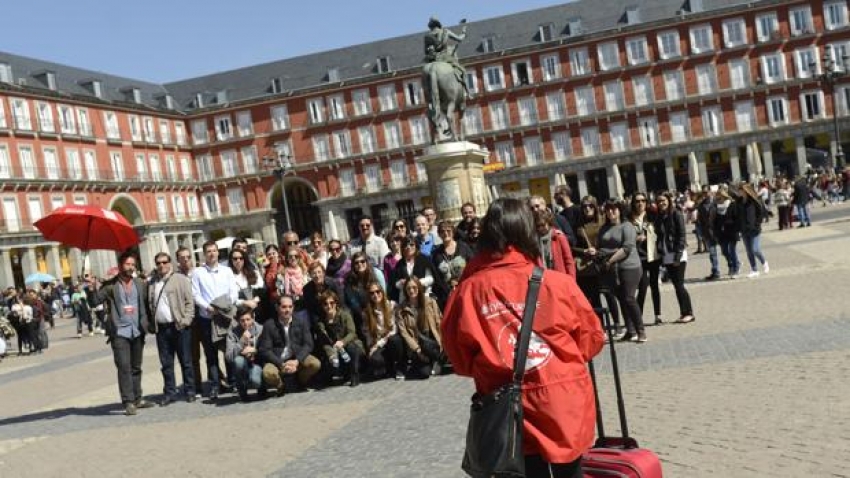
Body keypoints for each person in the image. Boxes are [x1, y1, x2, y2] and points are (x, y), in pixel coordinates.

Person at [442, 198, 605, 477]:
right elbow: (591, 340)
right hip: (562, 399)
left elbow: (459, 358)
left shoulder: (467, 292)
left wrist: (493, 362)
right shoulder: (558, 284)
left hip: (506, 406)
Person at [94, 251, 155, 416]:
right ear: (120, 266)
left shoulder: (140, 284)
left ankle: (138, 398)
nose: (131, 267)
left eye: (133, 264)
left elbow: (147, 305)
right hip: (120, 332)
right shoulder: (110, 285)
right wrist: (92, 286)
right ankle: (128, 401)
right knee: (124, 367)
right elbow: (95, 301)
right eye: (128, 264)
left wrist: (148, 325)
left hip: (137, 330)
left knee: (136, 367)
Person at [191, 241, 239, 400]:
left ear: (218, 252)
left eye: (214, 251)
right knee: (210, 354)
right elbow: (195, 295)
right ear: (204, 254)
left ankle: (233, 382)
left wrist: (226, 305)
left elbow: (234, 291)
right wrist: (207, 307)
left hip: (225, 316)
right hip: (208, 318)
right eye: (208, 251)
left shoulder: (227, 271)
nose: (212, 254)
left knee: (229, 350)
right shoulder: (198, 273)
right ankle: (215, 385)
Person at [147, 252, 197, 405]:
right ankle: (169, 392)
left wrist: (186, 320)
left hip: (179, 326)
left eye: (164, 262)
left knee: (186, 361)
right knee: (166, 363)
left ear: (170, 263)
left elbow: (190, 302)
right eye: (158, 263)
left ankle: (190, 391)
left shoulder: (180, 279)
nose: (161, 265)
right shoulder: (152, 283)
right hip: (161, 329)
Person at [597, 200, 645, 343]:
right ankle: (630, 331)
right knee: (621, 299)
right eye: (608, 209)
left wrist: (609, 259)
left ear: (619, 210)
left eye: (614, 209)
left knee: (630, 298)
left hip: (629, 266)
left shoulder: (627, 226)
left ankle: (641, 331)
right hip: (612, 270)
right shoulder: (604, 228)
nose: (610, 212)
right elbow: (600, 246)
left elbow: (627, 248)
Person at [259, 295, 322, 395]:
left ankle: (300, 381)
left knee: (315, 364)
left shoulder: (301, 322)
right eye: (284, 307)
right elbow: (264, 350)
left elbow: (308, 344)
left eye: (290, 307)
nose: (287, 310)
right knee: (268, 373)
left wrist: (297, 361)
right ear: (277, 307)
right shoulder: (269, 325)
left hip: (296, 357)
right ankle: (281, 385)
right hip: (277, 359)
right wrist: (281, 364)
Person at [655, 192, 695, 324]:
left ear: (669, 201)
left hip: (677, 254)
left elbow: (682, 235)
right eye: (659, 201)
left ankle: (689, 313)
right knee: (676, 285)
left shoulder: (676, 214)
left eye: (664, 200)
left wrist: (678, 255)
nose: (661, 203)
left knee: (679, 284)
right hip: (667, 255)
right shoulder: (660, 217)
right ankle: (683, 312)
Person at [396, 276, 444, 379]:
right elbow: (404, 333)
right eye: (408, 288)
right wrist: (417, 350)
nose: (412, 290)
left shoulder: (430, 302)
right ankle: (425, 361)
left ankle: (437, 359)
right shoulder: (401, 309)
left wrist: (441, 342)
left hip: (431, 339)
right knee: (424, 373)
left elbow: (438, 322)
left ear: (419, 287)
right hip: (417, 342)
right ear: (405, 290)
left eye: (414, 287)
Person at [316, 290, 364, 387]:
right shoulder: (321, 322)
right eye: (325, 304)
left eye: (331, 303)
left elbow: (352, 333)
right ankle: (340, 375)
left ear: (336, 303)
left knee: (352, 348)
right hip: (334, 350)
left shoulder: (345, 315)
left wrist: (342, 342)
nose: (329, 306)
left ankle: (354, 374)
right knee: (329, 361)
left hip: (350, 344)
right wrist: (331, 354)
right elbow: (324, 341)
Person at [631, 192, 663, 326]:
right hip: (639, 257)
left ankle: (658, 315)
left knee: (655, 286)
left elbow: (660, 232)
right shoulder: (629, 219)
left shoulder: (652, 216)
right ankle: (639, 318)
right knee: (643, 288)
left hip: (652, 255)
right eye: (637, 201)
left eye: (643, 201)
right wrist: (635, 239)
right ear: (633, 203)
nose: (640, 203)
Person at [362, 282, 404, 380]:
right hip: (379, 343)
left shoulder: (392, 305)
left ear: (382, 292)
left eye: (378, 291)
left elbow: (394, 330)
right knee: (373, 358)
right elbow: (367, 333)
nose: (375, 295)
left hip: (390, 340)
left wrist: (378, 344)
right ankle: (387, 368)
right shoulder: (366, 313)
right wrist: (371, 347)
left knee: (395, 340)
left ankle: (399, 366)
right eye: (372, 293)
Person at [225, 306, 264, 401]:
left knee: (255, 381)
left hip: (257, 362)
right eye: (242, 320)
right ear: (238, 320)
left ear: (253, 318)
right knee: (237, 361)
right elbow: (228, 357)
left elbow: (267, 350)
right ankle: (242, 391)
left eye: (248, 319)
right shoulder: (232, 333)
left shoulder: (261, 329)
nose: (245, 323)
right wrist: (241, 341)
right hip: (243, 364)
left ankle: (262, 388)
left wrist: (254, 350)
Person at [431, 220, 474, 302]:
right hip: (448, 295)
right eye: (442, 231)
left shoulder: (463, 247)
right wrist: (447, 289)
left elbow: (473, 266)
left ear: (453, 232)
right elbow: (437, 277)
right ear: (439, 234)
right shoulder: (436, 254)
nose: (445, 233)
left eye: (448, 231)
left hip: (466, 289)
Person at [423, 16, 468, 93]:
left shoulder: (427, 36)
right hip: (445, 58)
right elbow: (459, 39)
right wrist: (463, 32)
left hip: (432, 59)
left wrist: (431, 50)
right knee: (462, 71)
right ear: (438, 24)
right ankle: (466, 92)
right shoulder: (445, 31)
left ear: (430, 25)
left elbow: (425, 51)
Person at [389, 236, 439, 303]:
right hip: (405, 299)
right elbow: (395, 284)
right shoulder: (400, 264)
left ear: (416, 246)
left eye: (411, 244)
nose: (408, 247)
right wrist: (400, 283)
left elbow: (431, 279)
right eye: (406, 245)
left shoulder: (424, 259)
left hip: (423, 296)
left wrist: (415, 282)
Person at [533, 208, 576, 278]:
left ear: (548, 223)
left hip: (560, 278)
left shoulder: (559, 237)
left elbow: (569, 261)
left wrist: (572, 281)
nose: (540, 228)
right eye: (538, 226)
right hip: (544, 279)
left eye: (543, 225)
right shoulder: (535, 240)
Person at [739, 183, 770, 278]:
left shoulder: (754, 201)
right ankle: (754, 269)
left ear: (746, 191)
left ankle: (764, 262)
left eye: (741, 190)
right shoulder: (739, 202)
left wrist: (757, 224)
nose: (740, 192)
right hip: (744, 229)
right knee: (749, 251)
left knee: (755, 249)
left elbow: (761, 213)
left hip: (754, 229)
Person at [302, 262, 343, 329]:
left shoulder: (333, 283)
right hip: (319, 317)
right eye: (314, 273)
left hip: (335, 313)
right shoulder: (307, 289)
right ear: (310, 275)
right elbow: (311, 310)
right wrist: (318, 323)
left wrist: (336, 317)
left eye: (319, 272)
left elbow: (341, 302)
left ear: (323, 273)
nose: (317, 275)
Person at [713, 189, 741, 278]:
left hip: (732, 231)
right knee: (724, 251)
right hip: (721, 233)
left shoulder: (732, 204)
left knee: (732, 250)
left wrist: (736, 228)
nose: (718, 198)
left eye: (719, 196)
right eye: (717, 196)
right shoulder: (716, 206)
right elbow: (715, 220)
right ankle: (733, 264)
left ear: (724, 196)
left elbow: (736, 217)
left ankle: (735, 269)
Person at [696, 188, 720, 281]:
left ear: (711, 192)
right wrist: (701, 231)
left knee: (727, 251)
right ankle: (715, 272)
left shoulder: (716, 202)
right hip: (708, 232)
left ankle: (734, 265)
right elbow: (700, 220)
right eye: (704, 193)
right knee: (712, 253)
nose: (706, 194)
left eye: (707, 192)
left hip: (717, 231)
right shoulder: (701, 205)